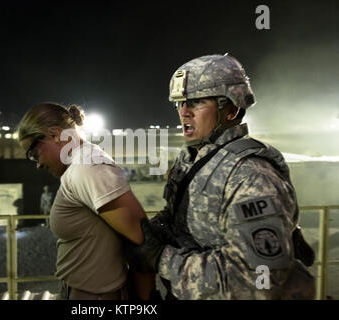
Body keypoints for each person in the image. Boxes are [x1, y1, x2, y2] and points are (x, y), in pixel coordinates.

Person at [128, 54, 315, 299]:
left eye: (195, 102)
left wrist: (161, 259)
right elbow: (180, 221)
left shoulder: (252, 178)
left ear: (231, 109)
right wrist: (149, 233)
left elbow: (260, 280)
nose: (184, 112)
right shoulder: (193, 158)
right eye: (179, 103)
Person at [17, 102, 153, 300]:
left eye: (34, 154)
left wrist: (145, 301)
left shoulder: (87, 167)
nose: (37, 164)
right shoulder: (80, 164)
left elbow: (143, 242)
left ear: (55, 135)